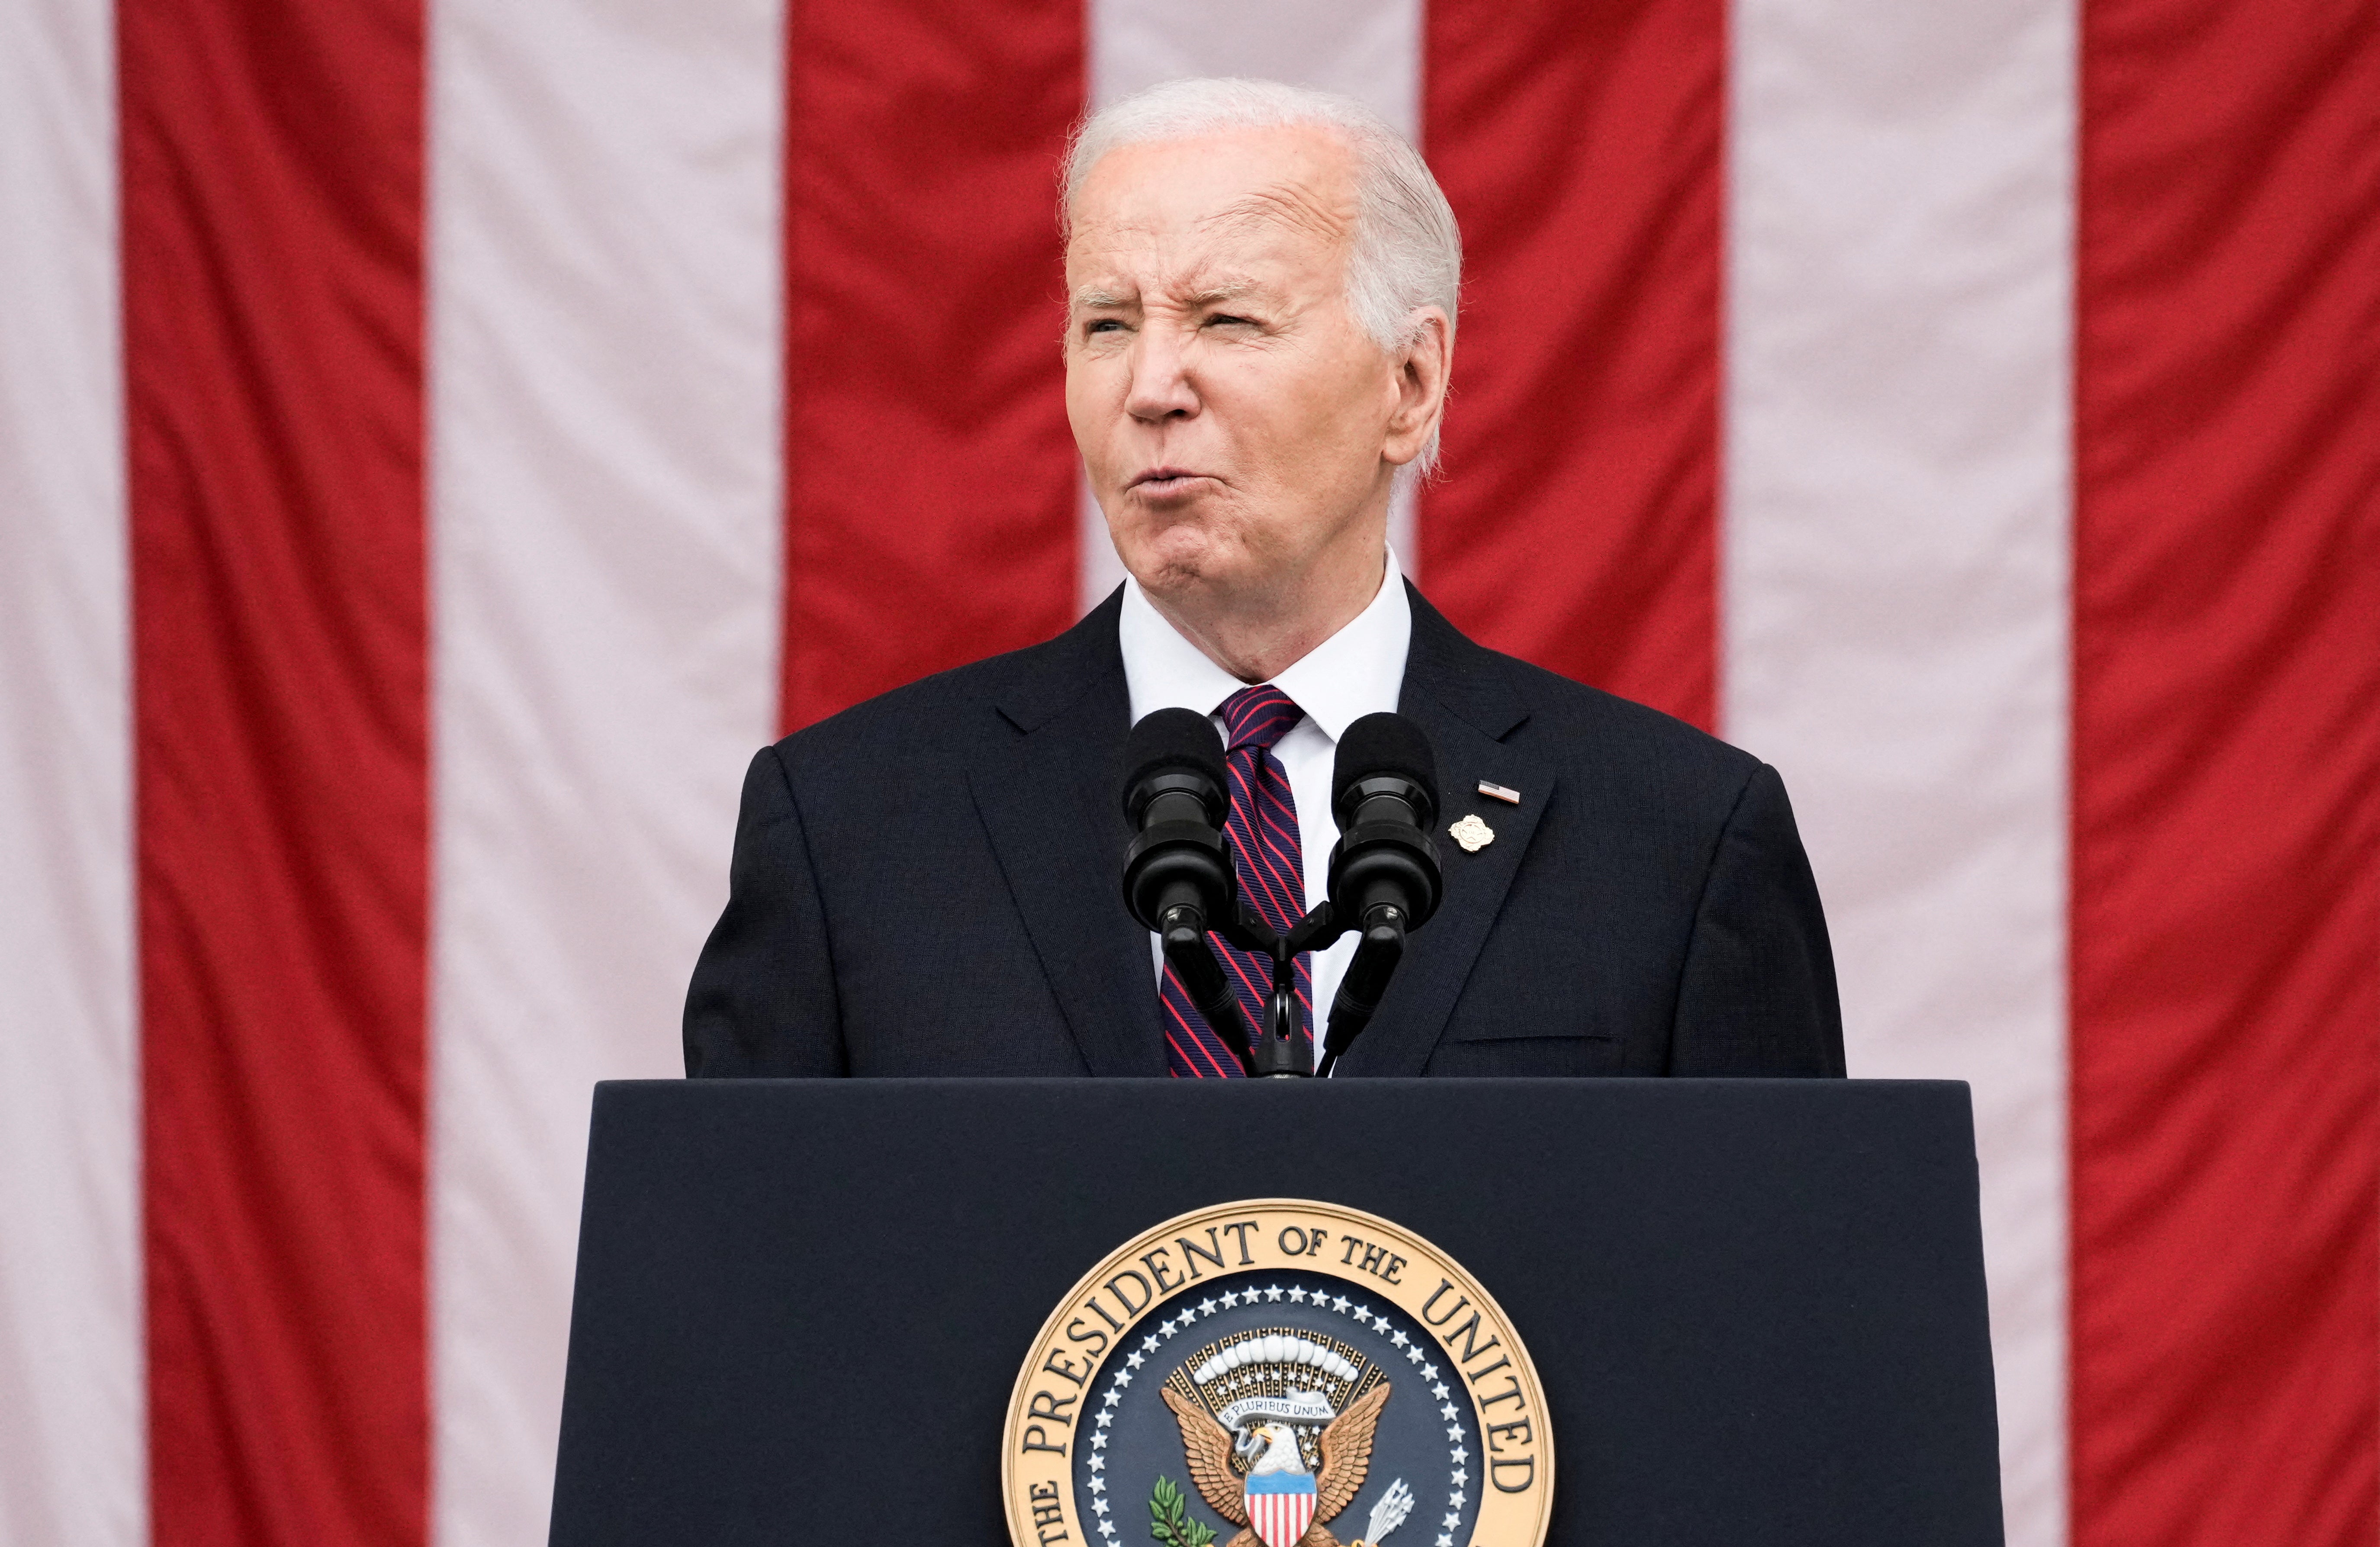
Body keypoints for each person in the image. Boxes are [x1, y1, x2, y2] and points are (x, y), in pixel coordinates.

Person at [685, 77, 1843, 1080]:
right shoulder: (849, 829)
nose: (1150, 386)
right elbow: (732, 1302)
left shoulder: (1677, 840)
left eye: (1226, 319)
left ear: (1409, 383)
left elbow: (1785, 1302)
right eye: (1104, 324)